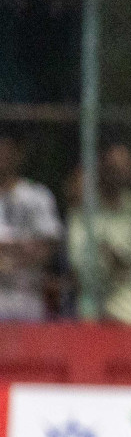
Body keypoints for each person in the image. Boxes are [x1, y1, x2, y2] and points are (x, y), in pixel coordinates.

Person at [67, 141, 131, 326]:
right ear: (101, 169)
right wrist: (117, 261)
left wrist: (109, 255)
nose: (118, 173)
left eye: (124, 167)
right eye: (112, 167)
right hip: (90, 310)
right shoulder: (81, 214)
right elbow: (78, 263)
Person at [0, 129, 63, 321]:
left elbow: (48, 245)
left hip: (28, 296)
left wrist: (12, 258)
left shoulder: (38, 195)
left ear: (19, 154)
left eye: (8, 150)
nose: (3, 155)